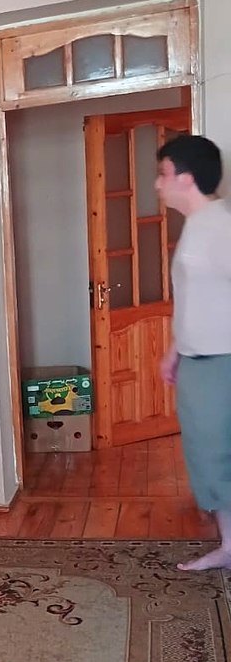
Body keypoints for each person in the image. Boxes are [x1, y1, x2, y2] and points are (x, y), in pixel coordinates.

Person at [155, 134, 231, 570]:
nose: (157, 183)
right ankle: (228, 546)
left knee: (222, 457)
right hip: (197, 360)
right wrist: (175, 351)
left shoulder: (221, 226)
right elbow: (195, 299)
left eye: (162, 173)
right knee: (207, 457)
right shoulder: (196, 226)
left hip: (223, 362)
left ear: (185, 178)